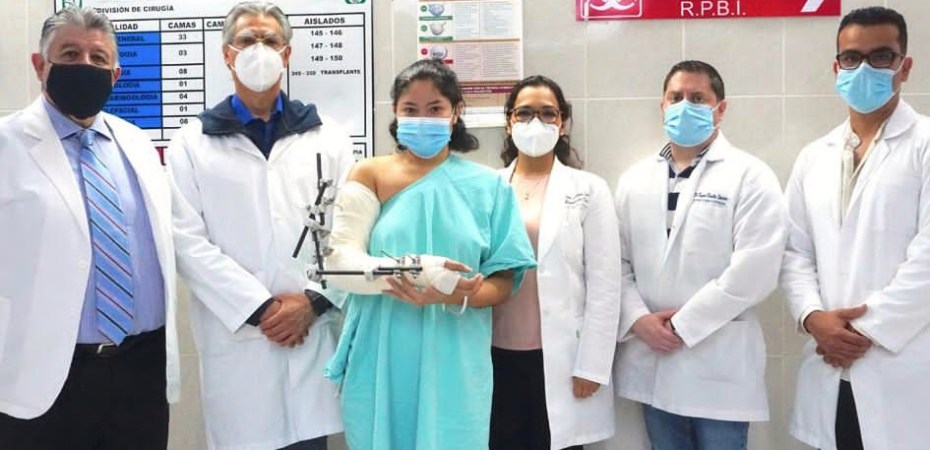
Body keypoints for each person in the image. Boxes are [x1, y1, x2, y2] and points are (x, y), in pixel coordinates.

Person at [165, 2, 355, 449]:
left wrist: (313, 302)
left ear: (287, 54)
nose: (259, 49)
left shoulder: (329, 137)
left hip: (309, 334)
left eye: (270, 40)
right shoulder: (191, 144)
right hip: (240, 344)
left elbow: (349, 232)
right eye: (247, 40)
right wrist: (261, 309)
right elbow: (187, 243)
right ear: (227, 54)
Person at [321, 59, 537, 450]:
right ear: (395, 113)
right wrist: (422, 271)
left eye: (435, 108)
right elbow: (340, 265)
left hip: (454, 353)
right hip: (381, 348)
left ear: (455, 113)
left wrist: (457, 293)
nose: (422, 118)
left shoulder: (489, 187)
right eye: (411, 109)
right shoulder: (369, 174)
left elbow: (504, 283)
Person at [0, 7, 180, 449]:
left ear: (115, 75)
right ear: (40, 65)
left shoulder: (136, 144)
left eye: (98, 58)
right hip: (43, 374)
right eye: (70, 53)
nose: (85, 65)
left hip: (141, 371)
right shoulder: (6, 145)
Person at [613, 60, 786, 450]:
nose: (684, 106)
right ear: (662, 106)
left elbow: (756, 269)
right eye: (676, 97)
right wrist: (638, 320)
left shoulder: (750, 175)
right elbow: (616, 264)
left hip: (718, 363)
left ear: (720, 109)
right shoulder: (634, 180)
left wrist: (683, 325)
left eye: (697, 98)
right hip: (652, 358)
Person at [781, 7, 930, 450]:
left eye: (881, 56)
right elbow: (793, 251)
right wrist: (813, 317)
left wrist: (865, 330)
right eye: (851, 58)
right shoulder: (814, 156)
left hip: (902, 362)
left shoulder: (925, 144)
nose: (864, 68)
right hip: (828, 361)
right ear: (836, 68)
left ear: (905, 67)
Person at [490, 75, 620, 450]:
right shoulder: (487, 187)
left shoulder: (588, 188)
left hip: (562, 357)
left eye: (548, 113)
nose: (536, 122)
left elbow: (605, 284)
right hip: (494, 354)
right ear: (509, 122)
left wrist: (593, 365)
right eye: (524, 113)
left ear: (563, 123)